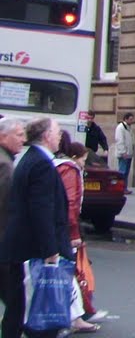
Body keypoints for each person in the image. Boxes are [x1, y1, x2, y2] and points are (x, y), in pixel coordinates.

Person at [0, 117, 73, 338]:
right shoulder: (40, 164)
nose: (60, 136)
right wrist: (51, 251)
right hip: (32, 249)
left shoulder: (29, 159)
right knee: (34, 309)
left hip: (19, 246)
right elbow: (42, 210)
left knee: (18, 307)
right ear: (46, 136)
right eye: (58, 132)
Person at [54, 141, 99, 332]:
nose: (83, 163)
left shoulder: (57, 166)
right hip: (65, 230)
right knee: (69, 272)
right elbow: (70, 202)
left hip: (59, 227)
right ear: (75, 157)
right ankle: (75, 317)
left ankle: (75, 315)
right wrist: (74, 232)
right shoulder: (70, 170)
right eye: (83, 159)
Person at [0, 118, 27, 338]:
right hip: (4, 244)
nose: (23, 139)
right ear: (3, 137)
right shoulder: (5, 165)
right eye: (18, 135)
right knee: (16, 301)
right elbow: (7, 207)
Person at [112, 114, 135, 180]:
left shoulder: (129, 128)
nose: (132, 121)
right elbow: (119, 140)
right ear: (126, 119)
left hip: (129, 154)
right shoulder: (121, 128)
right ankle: (121, 188)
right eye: (130, 119)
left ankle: (124, 188)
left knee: (126, 172)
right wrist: (123, 152)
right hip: (124, 154)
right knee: (122, 172)